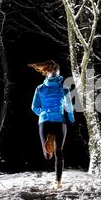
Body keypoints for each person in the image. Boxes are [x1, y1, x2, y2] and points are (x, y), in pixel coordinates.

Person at [28, 60, 75, 189]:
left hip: (44, 122)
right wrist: (71, 119)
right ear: (58, 74)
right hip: (59, 122)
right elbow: (69, 106)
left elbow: (34, 107)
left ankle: (49, 138)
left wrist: (43, 114)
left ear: (46, 73)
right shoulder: (63, 87)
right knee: (59, 153)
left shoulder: (40, 88)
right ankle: (58, 182)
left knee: (47, 155)